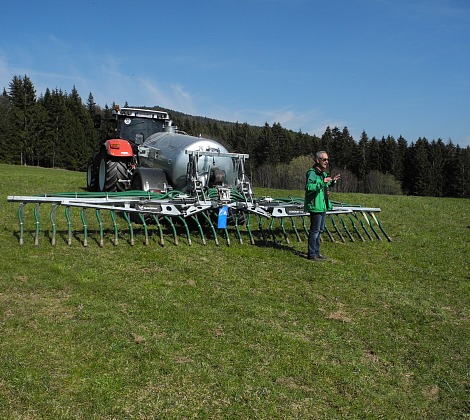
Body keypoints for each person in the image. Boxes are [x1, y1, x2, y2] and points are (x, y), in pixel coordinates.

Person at [304, 151, 340, 261]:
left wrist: (332, 181)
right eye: (324, 159)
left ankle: (317, 252)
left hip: (323, 205)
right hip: (315, 205)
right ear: (317, 160)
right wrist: (322, 182)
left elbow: (326, 184)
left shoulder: (323, 173)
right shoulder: (312, 173)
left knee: (320, 230)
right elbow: (309, 187)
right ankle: (311, 254)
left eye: (327, 159)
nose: (326, 162)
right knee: (314, 230)